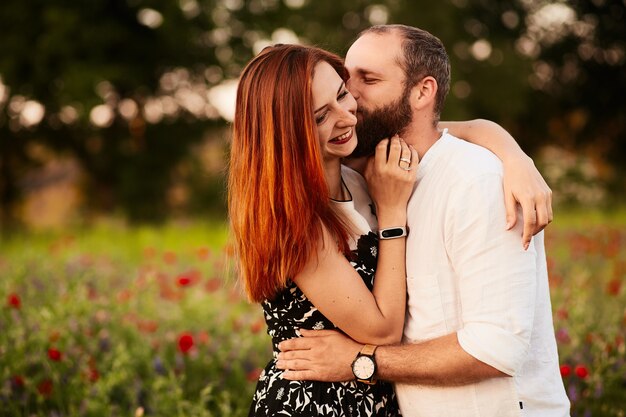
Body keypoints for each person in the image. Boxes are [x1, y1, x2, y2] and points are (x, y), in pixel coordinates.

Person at [230, 43, 555, 416]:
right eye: (320, 116)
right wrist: (391, 214)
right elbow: (382, 331)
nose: (347, 116)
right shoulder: (296, 219)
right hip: (315, 402)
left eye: (342, 94)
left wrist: (515, 159)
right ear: (288, 132)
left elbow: (454, 130)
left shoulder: (360, 166)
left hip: (372, 397)